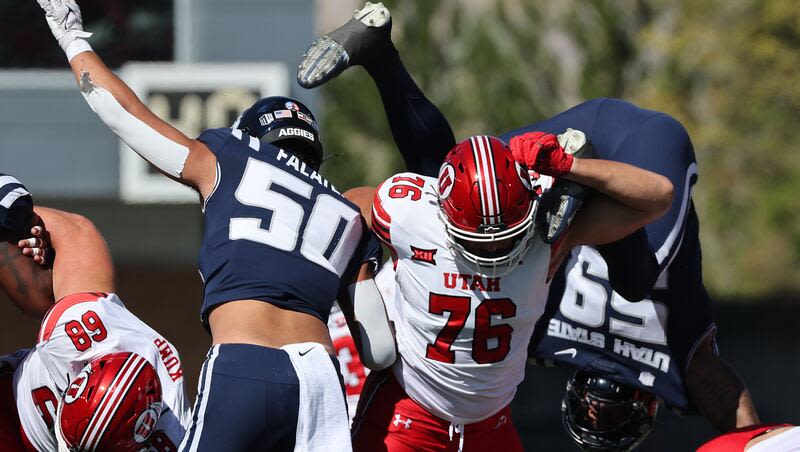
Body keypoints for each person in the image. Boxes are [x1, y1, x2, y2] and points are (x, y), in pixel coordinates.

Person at [298, 2, 756, 449]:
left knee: (450, 175)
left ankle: (575, 178)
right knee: (467, 182)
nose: (492, 253)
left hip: (571, 165)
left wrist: (566, 167)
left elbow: (658, 197)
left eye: (502, 241)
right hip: (563, 174)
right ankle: (572, 183)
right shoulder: (534, 238)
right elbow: (654, 199)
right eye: (480, 242)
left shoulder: (521, 237)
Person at [34, 0, 396, 450]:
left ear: (252, 137)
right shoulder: (345, 213)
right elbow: (379, 349)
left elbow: (126, 116)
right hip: (320, 384)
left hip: (244, 362)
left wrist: (73, 41)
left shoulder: (230, 155)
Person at [0, 174, 190, 451]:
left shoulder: (177, 438)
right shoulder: (74, 325)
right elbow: (76, 231)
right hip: (13, 413)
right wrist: (26, 224)